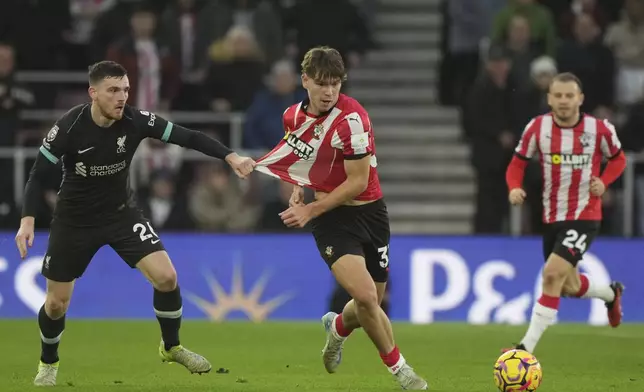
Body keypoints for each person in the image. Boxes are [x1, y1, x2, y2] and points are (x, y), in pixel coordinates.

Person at [14, 61, 256, 386]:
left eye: (126, 90)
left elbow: (187, 137)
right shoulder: (70, 126)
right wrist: (27, 221)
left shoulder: (136, 120)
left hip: (121, 215)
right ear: (93, 93)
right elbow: (37, 175)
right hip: (74, 222)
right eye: (113, 90)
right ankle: (48, 363)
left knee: (167, 277)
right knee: (56, 304)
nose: (122, 97)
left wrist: (230, 156)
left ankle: (171, 347)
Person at [254, 46, 428, 390]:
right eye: (321, 83)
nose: (329, 91)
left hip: (370, 213)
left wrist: (308, 210)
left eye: (335, 83)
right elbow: (298, 157)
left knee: (371, 303)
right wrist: (298, 189)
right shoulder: (291, 116)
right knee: (365, 297)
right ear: (305, 81)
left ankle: (337, 330)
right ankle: (400, 370)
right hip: (332, 219)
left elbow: (358, 182)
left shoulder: (353, 120)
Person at [504, 72, 626, 354]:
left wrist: (604, 182)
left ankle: (524, 349)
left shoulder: (599, 129)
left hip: (585, 215)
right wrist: (513, 188)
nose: (563, 101)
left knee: (551, 274)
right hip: (552, 217)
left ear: (580, 99)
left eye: (569, 96)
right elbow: (517, 164)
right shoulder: (537, 127)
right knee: (568, 285)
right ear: (549, 98)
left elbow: (618, 159)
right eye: (557, 95)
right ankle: (610, 294)